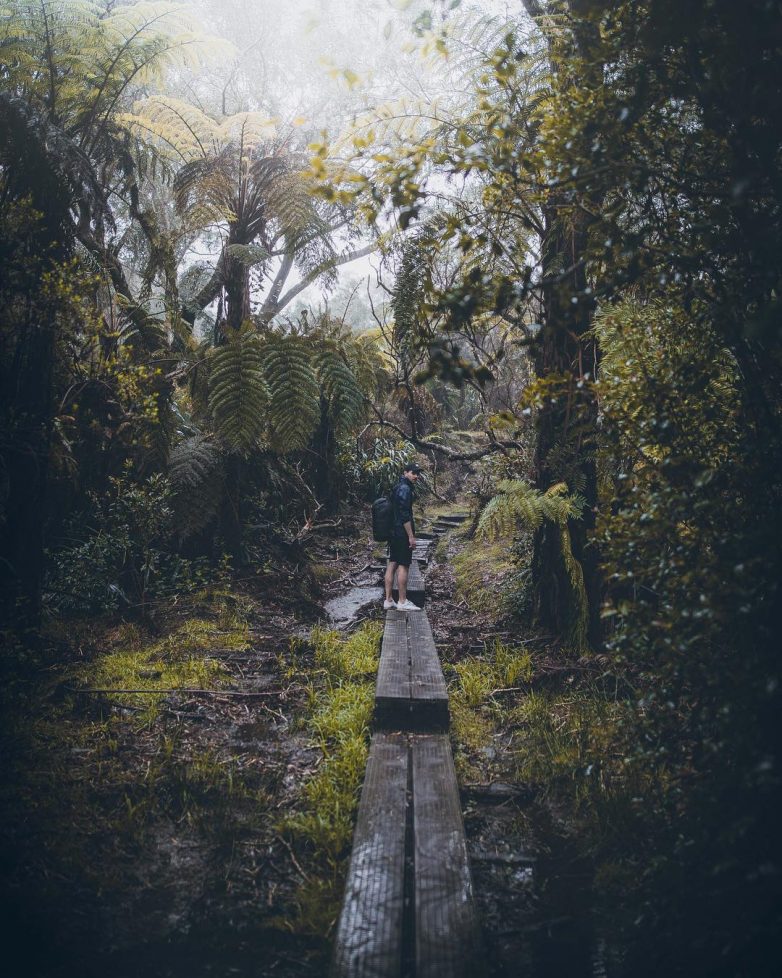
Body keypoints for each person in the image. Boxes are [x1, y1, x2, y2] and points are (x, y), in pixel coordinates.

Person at [383, 462, 423, 611]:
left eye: (418, 473)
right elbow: (404, 514)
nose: (416, 476)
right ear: (405, 472)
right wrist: (411, 536)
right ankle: (402, 601)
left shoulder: (397, 487)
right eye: (413, 473)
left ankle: (388, 600)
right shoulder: (405, 489)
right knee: (403, 565)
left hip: (393, 532)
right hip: (401, 533)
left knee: (392, 563)